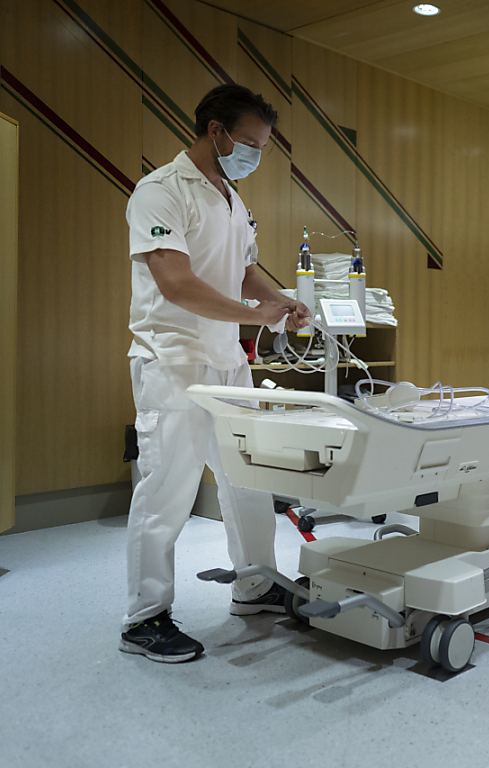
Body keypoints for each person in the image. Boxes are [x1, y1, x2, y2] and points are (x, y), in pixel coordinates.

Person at [121, 84, 311, 663]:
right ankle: (144, 618)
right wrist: (254, 314)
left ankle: (257, 586)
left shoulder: (233, 200)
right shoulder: (160, 191)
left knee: (248, 481)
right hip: (173, 360)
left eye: (262, 147)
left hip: (229, 363)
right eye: (250, 143)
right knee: (167, 490)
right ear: (216, 131)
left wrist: (279, 301)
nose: (255, 155)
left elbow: (243, 272)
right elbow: (177, 284)